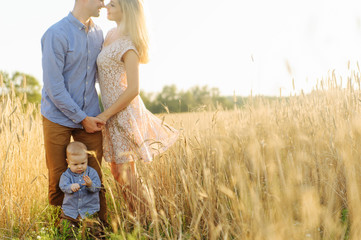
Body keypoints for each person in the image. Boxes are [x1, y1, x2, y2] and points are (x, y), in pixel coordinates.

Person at [96, 0, 179, 213]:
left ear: (127, 10)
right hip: (112, 114)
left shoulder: (128, 44)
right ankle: (139, 217)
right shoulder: (109, 36)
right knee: (117, 171)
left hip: (123, 112)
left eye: (113, 4)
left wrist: (106, 115)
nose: (107, 7)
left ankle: (147, 220)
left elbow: (133, 89)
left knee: (125, 171)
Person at [41, 0, 108, 225]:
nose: (104, 3)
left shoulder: (99, 34)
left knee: (95, 174)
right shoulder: (56, 34)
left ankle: (99, 228)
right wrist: (81, 118)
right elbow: (54, 86)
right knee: (58, 173)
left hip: (90, 116)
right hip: (57, 116)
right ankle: (61, 228)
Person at [59, 141, 103, 237]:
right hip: (70, 213)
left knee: (94, 231)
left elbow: (97, 187)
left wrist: (90, 184)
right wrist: (70, 187)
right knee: (66, 229)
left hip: (89, 211)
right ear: (68, 162)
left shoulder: (92, 173)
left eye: (83, 163)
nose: (80, 167)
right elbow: (63, 186)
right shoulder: (66, 175)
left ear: (87, 159)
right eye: (75, 164)